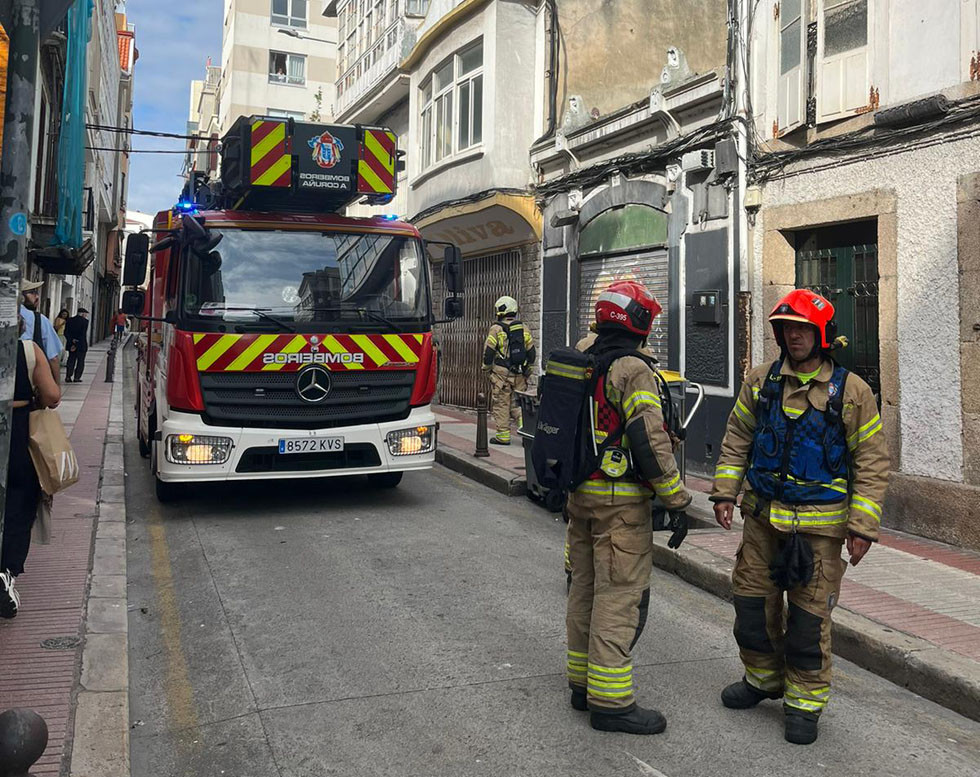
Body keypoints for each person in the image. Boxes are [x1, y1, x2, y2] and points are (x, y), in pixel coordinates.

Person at [710, 289, 889, 745]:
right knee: (750, 608)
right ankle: (762, 680)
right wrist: (725, 492)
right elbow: (737, 438)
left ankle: (804, 704)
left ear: (822, 334)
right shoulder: (760, 382)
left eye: (803, 328)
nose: (794, 336)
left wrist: (863, 526)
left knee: (808, 624)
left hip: (819, 530)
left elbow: (871, 461)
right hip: (762, 522)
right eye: (787, 328)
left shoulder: (851, 392)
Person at [565, 280, 692, 735]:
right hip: (621, 506)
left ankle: (582, 686)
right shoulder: (632, 370)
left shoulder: (583, 357)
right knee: (619, 600)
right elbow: (649, 439)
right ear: (638, 322)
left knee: (583, 592)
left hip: (580, 498)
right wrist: (677, 499)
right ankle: (612, 703)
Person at [1, 319, 62, 618]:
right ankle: (5, 573)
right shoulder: (29, 351)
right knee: (19, 506)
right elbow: (52, 396)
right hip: (18, 440)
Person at [482, 295, 535, 445]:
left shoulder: (496, 329)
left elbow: (489, 351)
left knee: (501, 404)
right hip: (519, 374)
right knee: (519, 405)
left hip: (501, 375)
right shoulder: (524, 328)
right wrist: (527, 370)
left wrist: (486, 367)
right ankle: (526, 435)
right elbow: (531, 353)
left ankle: (503, 436)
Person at [19, 279, 63, 385]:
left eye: (36, 292)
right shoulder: (39, 320)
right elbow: (53, 358)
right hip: (28, 383)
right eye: (32, 292)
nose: (37, 297)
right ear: (20, 296)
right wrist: (56, 386)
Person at [64, 308, 90, 383]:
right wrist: (77, 343)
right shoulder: (85, 322)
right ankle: (77, 377)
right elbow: (82, 334)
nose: (85, 316)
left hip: (71, 343)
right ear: (82, 314)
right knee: (80, 361)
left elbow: (66, 332)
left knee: (71, 360)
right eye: (85, 314)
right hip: (81, 345)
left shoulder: (69, 320)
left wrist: (72, 341)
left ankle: (68, 376)